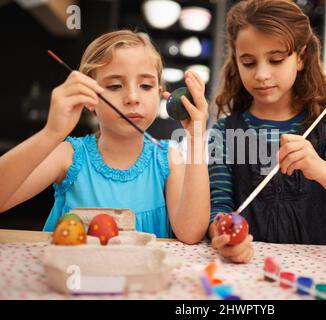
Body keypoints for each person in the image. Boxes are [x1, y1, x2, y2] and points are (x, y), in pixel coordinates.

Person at [207, 0, 326, 262]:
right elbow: (218, 206)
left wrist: (320, 168)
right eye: (248, 62)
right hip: (247, 271)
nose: (262, 74)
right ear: (236, 61)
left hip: (317, 275)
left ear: (300, 58)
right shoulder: (224, 132)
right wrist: (222, 235)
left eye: (276, 59)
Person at [0, 30, 210, 244]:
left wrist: (196, 138)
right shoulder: (70, 156)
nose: (132, 98)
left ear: (160, 93)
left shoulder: (168, 159)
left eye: (146, 85)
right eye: (115, 86)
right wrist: (51, 133)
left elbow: (191, 232)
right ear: (89, 97)